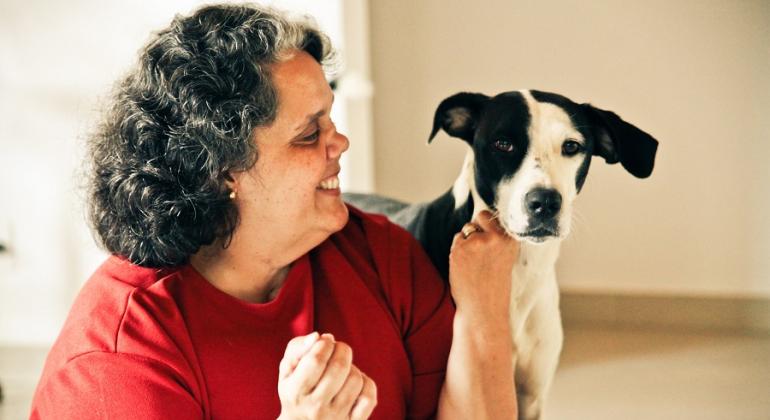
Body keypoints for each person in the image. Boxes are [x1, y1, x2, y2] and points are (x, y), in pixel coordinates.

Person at [30, 4, 518, 419]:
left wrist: (484, 310)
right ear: (222, 169)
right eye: (309, 134)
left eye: (332, 117)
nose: (340, 142)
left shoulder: (379, 254)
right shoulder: (120, 359)